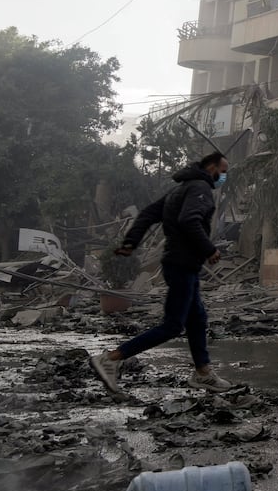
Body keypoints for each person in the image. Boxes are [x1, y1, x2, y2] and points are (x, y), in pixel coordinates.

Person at [89, 151, 237, 394]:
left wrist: (131, 241)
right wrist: (209, 249)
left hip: (179, 264)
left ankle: (203, 373)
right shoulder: (200, 188)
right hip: (182, 264)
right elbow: (189, 220)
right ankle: (111, 358)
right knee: (172, 326)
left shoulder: (179, 190)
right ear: (211, 167)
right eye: (222, 171)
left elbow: (148, 214)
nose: (223, 176)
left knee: (197, 318)